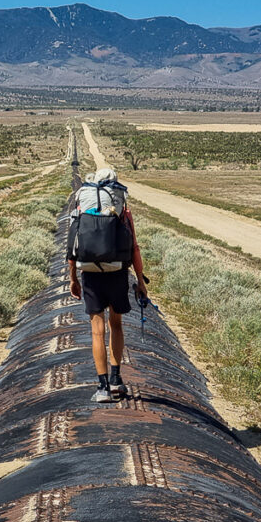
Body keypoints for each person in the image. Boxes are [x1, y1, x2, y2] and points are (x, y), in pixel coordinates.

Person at [67, 167, 147, 403]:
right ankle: (116, 380)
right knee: (117, 325)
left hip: (90, 273)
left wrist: (73, 278)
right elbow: (134, 248)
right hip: (117, 272)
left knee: (96, 330)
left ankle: (101, 387)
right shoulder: (122, 210)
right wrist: (140, 281)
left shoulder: (82, 207)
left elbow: (72, 247)